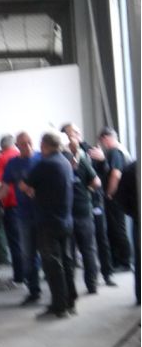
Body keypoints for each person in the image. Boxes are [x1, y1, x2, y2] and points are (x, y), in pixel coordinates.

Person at [21, 132, 76, 319]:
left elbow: (25, 184)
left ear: (44, 145)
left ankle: (59, 306)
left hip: (48, 222)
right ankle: (70, 301)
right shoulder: (65, 162)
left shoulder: (45, 164)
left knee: (52, 265)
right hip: (65, 220)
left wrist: (32, 190)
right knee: (66, 263)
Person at [0, 132, 42, 305]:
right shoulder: (13, 163)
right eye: (23, 144)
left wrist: (36, 191)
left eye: (30, 142)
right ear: (17, 146)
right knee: (28, 254)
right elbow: (5, 187)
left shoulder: (42, 158)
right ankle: (34, 292)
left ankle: (58, 294)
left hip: (44, 214)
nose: (28, 146)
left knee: (50, 254)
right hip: (24, 214)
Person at [66, 123, 116, 288]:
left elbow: (104, 173)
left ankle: (107, 274)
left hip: (94, 201)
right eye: (71, 133)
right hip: (73, 206)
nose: (74, 136)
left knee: (101, 238)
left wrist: (102, 160)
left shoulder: (91, 151)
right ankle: (70, 284)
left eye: (76, 132)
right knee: (73, 246)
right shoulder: (63, 155)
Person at [62, 126, 101, 295]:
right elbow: (96, 182)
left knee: (68, 253)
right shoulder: (83, 160)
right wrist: (86, 190)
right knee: (88, 250)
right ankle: (92, 286)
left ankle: (70, 290)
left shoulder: (57, 160)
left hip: (66, 212)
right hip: (83, 209)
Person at [88, 128, 132, 271]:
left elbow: (115, 174)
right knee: (117, 228)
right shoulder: (121, 150)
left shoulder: (114, 152)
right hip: (120, 196)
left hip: (115, 197)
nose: (102, 144)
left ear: (106, 138)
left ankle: (124, 262)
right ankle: (119, 261)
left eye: (102, 141)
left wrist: (109, 193)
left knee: (117, 229)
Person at [0, 134, 23, 287]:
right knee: (29, 242)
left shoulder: (2, 159)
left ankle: (19, 278)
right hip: (27, 204)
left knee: (15, 243)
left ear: (1, 147)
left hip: (11, 205)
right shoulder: (23, 156)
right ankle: (31, 276)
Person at [115, 161, 140, 305]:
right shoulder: (131, 169)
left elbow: (121, 199)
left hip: (138, 220)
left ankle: (140, 295)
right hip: (137, 219)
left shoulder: (131, 169)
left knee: (139, 259)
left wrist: (134, 213)